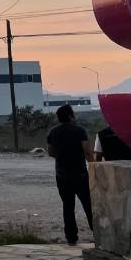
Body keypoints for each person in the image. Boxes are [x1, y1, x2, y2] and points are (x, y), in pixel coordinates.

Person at [46, 104, 93, 245]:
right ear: (71, 116)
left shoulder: (52, 132)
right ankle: (98, 232)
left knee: (68, 206)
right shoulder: (80, 131)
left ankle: (71, 237)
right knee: (88, 205)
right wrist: (95, 166)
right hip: (80, 174)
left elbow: (51, 152)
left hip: (62, 175)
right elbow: (88, 152)